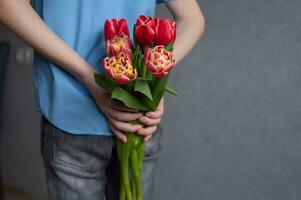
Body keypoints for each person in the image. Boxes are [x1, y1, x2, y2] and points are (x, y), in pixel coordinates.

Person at [0, 0, 205, 199]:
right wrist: (146, 83)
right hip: (110, 122)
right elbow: (193, 19)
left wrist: (153, 79)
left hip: (105, 121)